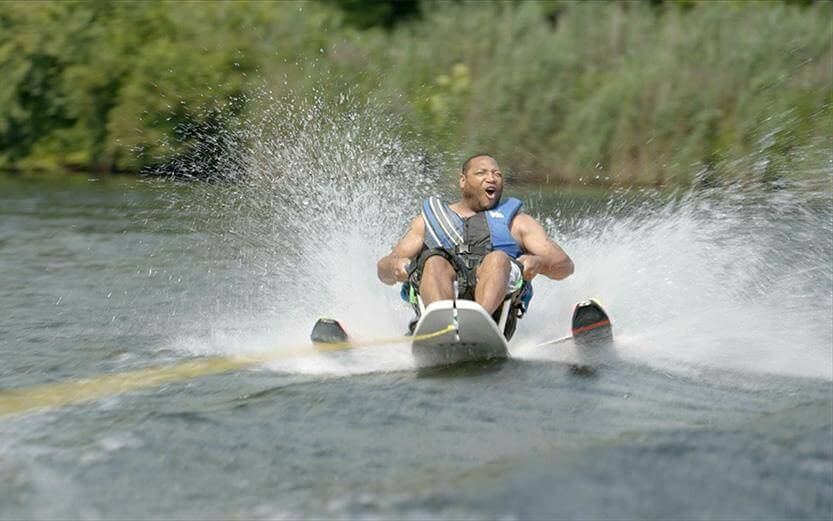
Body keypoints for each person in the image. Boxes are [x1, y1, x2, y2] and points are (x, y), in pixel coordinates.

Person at [376, 154, 574, 336]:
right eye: (481, 173)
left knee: (497, 258)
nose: (492, 178)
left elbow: (565, 265)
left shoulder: (519, 223)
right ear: (463, 180)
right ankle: (440, 326)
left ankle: (478, 323)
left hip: (498, 314)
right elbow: (384, 269)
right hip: (441, 299)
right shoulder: (427, 222)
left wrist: (538, 262)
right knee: (434, 261)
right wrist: (396, 266)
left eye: (497, 174)